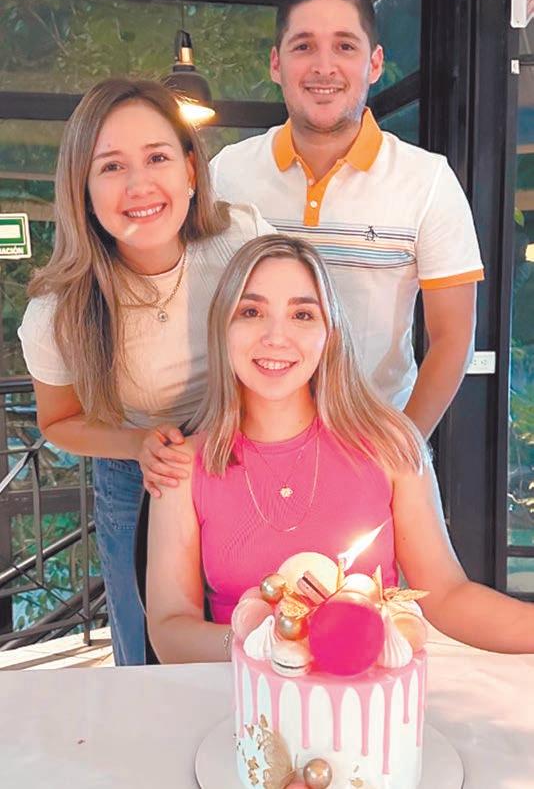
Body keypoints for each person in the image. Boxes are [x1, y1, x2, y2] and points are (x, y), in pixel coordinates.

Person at [146, 235, 533, 663]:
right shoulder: (181, 466)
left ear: (330, 333)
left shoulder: (390, 445)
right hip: (240, 699)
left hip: (367, 698)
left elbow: (448, 596)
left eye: (302, 314)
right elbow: (169, 631)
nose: (276, 336)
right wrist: (267, 645)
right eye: (251, 312)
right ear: (222, 327)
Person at [17, 77, 273, 666]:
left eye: (157, 157)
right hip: (140, 475)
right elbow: (58, 421)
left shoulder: (242, 240)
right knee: (148, 653)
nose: (139, 186)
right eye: (111, 167)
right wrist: (137, 443)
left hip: (245, 454)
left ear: (190, 170)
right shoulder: (57, 311)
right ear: (82, 190)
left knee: (263, 632)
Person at [210, 0, 485, 438]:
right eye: (303, 46)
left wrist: (402, 450)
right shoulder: (227, 173)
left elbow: (453, 338)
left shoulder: (428, 181)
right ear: (276, 63)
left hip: (369, 441)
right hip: (247, 441)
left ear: (374, 63)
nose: (324, 66)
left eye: (344, 46)